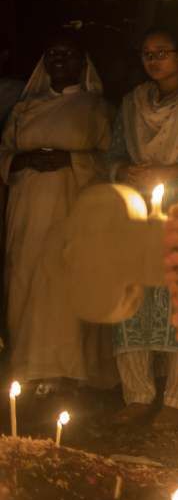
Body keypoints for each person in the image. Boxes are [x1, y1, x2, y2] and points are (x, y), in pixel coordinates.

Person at [1, 32, 114, 390]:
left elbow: (112, 160)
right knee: (24, 281)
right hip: (26, 210)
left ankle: (67, 370)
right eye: (53, 53)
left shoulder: (97, 108)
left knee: (63, 284)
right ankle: (26, 367)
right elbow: (3, 154)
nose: (59, 59)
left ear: (83, 62)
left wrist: (72, 160)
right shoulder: (24, 108)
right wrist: (21, 160)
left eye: (68, 53)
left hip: (73, 209)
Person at [107, 28, 178, 430]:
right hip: (133, 207)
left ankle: (176, 399)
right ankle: (137, 394)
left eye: (162, 52)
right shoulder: (132, 103)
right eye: (147, 54)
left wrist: (171, 171)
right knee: (131, 297)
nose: (154, 60)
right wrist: (124, 169)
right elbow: (111, 155)